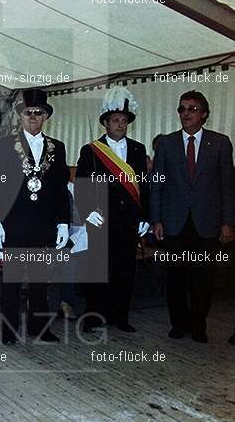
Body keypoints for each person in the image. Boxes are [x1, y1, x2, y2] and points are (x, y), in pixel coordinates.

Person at [150, 90, 235, 343]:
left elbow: (227, 186)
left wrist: (228, 221)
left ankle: (199, 325)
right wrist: (156, 219)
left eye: (192, 109)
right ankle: (179, 323)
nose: (186, 113)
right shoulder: (166, 143)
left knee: (203, 279)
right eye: (182, 109)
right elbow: (157, 184)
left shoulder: (220, 143)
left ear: (204, 114)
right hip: (174, 223)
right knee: (175, 278)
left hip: (207, 224)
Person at [0, 89, 71, 344]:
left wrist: (64, 223)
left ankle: (39, 327)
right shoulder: (5, 146)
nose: (33, 117)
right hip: (14, 222)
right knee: (12, 280)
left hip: (43, 223)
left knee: (39, 280)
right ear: (20, 116)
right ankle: (9, 329)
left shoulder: (57, 147)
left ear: (45, 116)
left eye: (38, 113)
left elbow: (60, 188)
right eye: (28, 113)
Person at [75, 87, 150, 333]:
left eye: (124, 121)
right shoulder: (91, 150)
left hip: (128, 219)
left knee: (125, 270)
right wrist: (87, 212)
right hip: (101, 218)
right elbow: (82, 187)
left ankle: (121, 316)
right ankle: (94, 315)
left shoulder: (138, 150)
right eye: (115, 120)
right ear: (105, 123)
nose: (120, 124)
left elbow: (144, 185)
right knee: (97, 268)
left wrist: (145, 216)